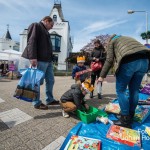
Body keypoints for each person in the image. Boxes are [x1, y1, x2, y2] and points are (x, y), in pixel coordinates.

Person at [98, 34, 150, 128]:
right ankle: (130, 115)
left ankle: (125, 119)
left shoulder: (113, 42)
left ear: (110, 40)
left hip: (129, 61)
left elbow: (109, 60)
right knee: (134, 90)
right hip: (145, 62)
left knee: (120, 90)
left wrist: (102, 76)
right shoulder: (129, 38)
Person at [22, 16, 59, 110]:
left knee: (51, 80)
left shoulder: (46, 31)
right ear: (46, 21)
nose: (52, 27)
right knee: (37, 82)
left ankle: (49, 99)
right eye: (51, 24)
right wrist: (33, 57)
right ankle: (36, 102)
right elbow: (31, 41)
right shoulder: (36, 26)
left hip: (48, 61)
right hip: (40, 59)